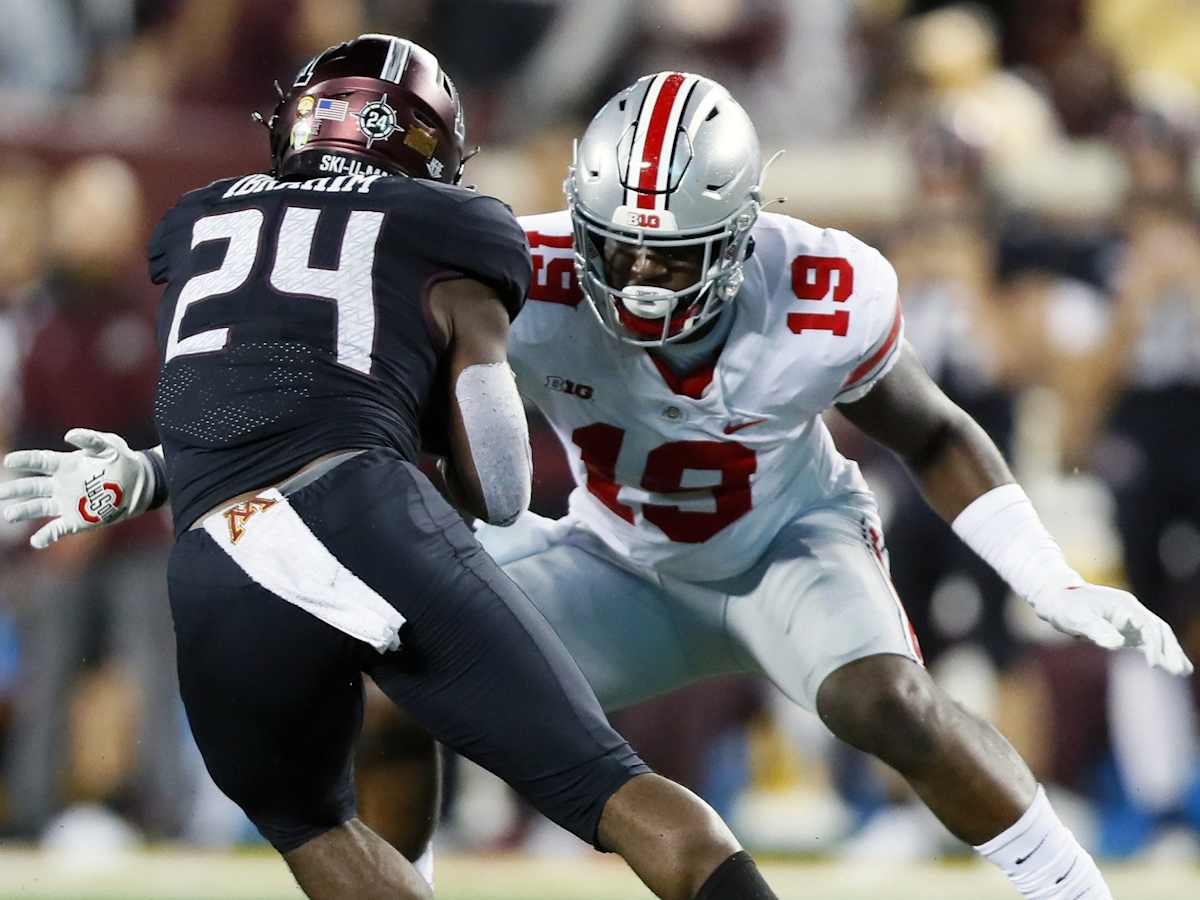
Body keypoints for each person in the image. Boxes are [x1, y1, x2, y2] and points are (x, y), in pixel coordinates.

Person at [6, 69, 1193, 898]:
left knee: (888, 701)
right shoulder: (517, 271)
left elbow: (931, 434)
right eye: (612, 243)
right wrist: (155, 470)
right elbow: (341, 415)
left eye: (667, 255)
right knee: (386, 689)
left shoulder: (826, 288)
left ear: (742, 229)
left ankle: (1072, 888)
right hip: (615, 556)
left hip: (789, 548)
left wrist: (1046, 578)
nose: (631, 275)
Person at [0, 42, 781, 900]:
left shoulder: (197, 219)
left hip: (214, 561)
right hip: (356, 512)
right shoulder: (451, 226)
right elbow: (501, 484)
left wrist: (150, 475)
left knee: (313, 825)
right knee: (610, 788)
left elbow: (251, 417)